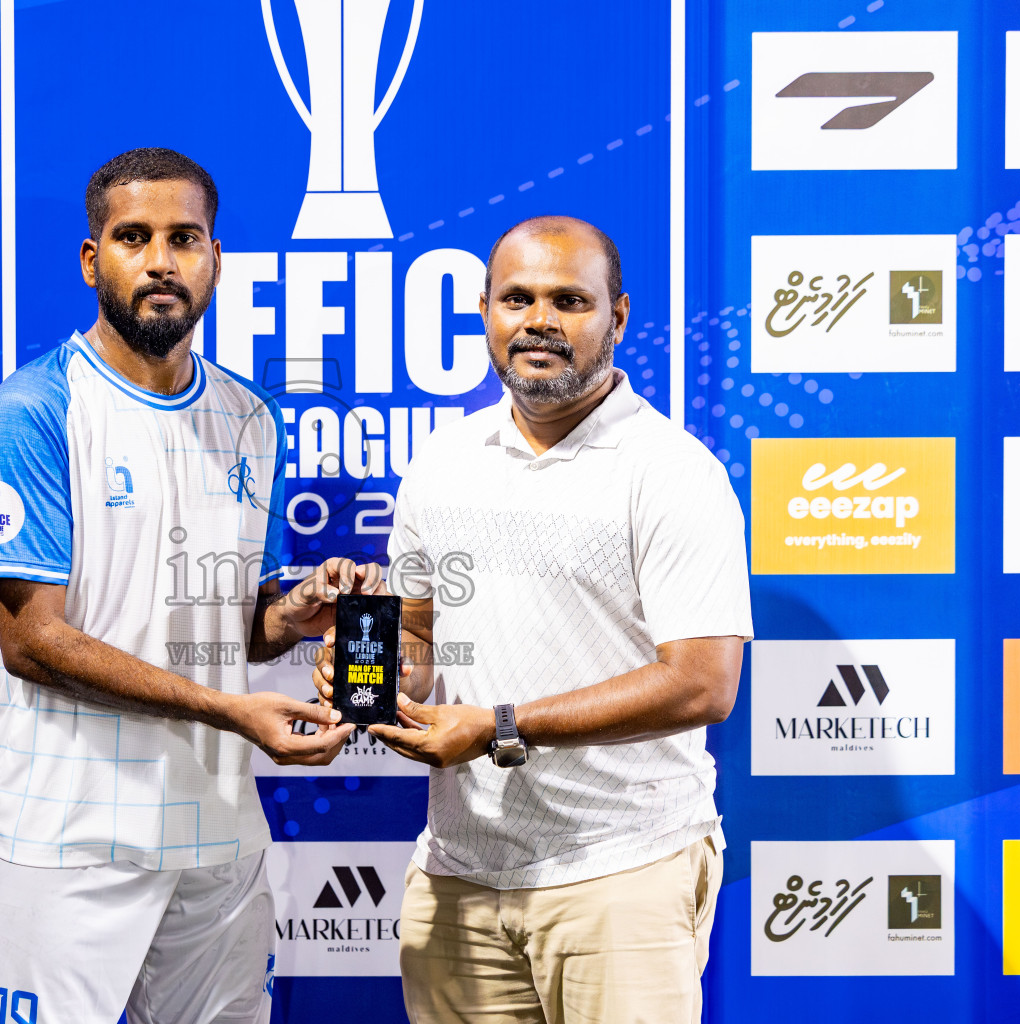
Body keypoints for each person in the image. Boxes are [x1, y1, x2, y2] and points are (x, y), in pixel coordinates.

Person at [313, 215, 753, 1024]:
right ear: (485, 311)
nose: (538, 320)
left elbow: (702, 684)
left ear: (617, 318)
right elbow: (414, 634)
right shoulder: (442, 463)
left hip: (621, 874)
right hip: (460, 877)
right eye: (517, 297)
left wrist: (498, 725)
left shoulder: (673, 474)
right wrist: (368, 677)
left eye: (569, 300)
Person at [0, 147, 365, 1024]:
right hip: (70, 836)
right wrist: (232, 711)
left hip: (217, 833)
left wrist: (291, 613)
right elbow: (35, 643)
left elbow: (236, 623)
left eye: (185, 238)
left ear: (215, 260)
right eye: (133, 237)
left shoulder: (250, 416)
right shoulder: (33, 412)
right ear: (91, 260)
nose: (160, 260)